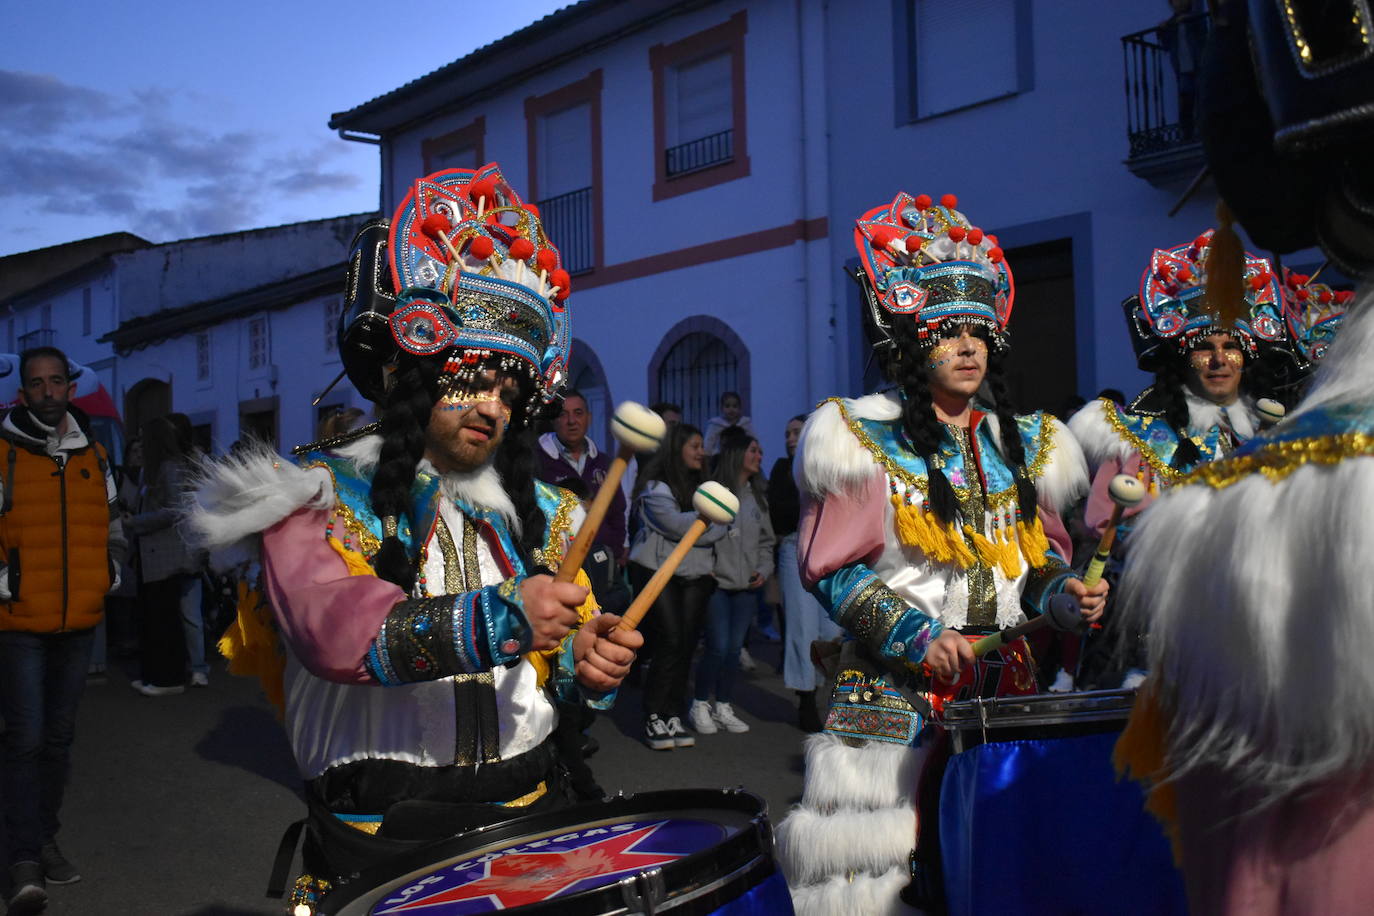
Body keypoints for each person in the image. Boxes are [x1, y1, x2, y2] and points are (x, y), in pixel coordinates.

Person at [186, 165, 641, 899]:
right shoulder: (313, 497)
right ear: (406, 371)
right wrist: (504, 617)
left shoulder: (544, 517)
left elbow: (549, 682)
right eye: (469, 375)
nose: (490, 405)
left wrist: (590, 663)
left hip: (531, 817)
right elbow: (333, 634)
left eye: (507, 389)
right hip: (383, 838)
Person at [773, 192, 1105, 915]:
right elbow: (830, 571)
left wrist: (1063, 598)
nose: (967, 347)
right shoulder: (862, 435)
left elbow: (1040, 563)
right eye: (948, 332)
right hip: (895, 697)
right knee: (889, 881)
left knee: (1001, 871)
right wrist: (918, 638)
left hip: (1005, 691)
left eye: (979, 333)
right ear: (911, 339)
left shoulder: (1024, 443)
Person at [1066, 223, 1290, 690]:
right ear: (1181, 357)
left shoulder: (1275, 436)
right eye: (1204, 348)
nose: (1219, 360)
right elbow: (1104, 531)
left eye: (1231, 346)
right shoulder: (1135, 438)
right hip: (1157, 633)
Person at [0, 346, 126, 913]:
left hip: (80, 622)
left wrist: (109, 572)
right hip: (19, 621)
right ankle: (25, 857)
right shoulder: (1, 455)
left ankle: (42, 835)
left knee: (57, 740)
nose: (49, 392)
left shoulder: (94, 456)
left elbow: (113, 523)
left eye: (57, 382)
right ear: (22, 391)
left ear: (69, 388)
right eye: (37, 383)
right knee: (24, 741)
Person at [628, 422, 726, 750]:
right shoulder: (655, 487)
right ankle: (653, 713)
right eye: (694, 445)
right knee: (668, 639)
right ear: (676, 449)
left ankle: (672, 712)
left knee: (686, 643)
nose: (702, 452)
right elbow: (677, 525)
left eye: (702, 446)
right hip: (660, 572)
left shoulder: (705, 485)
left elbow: (719, 527)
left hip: (697, 574)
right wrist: (710, 520)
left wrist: (706, 523)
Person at [689, 428, 774, 736]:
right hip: (717, 586)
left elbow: (767, 541)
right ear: (738, 454)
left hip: (746, 588)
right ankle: (700, 703)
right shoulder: (713, 493)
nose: (759, 456)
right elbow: (697, 534)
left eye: (760, 452)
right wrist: (707, 566)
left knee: (733, 649)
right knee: (717, 647)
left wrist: (764, 568)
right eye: (753, 450)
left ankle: (723, 704)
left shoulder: (757, 497)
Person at [769, 414, 841, 732]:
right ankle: (806, 697)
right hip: (795, 546)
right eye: (786, 433)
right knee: (801, 626)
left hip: (830, 549)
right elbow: (780, 514)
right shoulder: (782, 470)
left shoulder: (829, 468)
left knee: (832, 628)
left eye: (796, 431)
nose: (789, 438)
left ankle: (833, 694)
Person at [127, 414, 203, 695]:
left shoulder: (169, 468)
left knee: (165, 621)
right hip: (156, 553)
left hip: (165, 554)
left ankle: (167, 679)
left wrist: (135, 522)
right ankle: (157, 676)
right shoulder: (157, 467)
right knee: (155, 619)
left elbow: (173, 510)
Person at [535, 389, 627, 565]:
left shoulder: (603, 463)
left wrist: (615, 548)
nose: (572, 421)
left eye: (578, 413)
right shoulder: (537, 461)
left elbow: (617, 511)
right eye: (563, 414)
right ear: (554, 420)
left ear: (589, 418)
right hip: (557, 562)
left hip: (602, 558)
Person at [703, 391, 755, 456]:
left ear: (740, 408)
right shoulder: (715, 424)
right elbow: (708, 444)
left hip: (741, 458)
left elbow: (753, 441)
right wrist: (717, 454)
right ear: (721, 408)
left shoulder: (745, 423)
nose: (731, 409)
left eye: (735, 406)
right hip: (722, 458)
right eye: (727, 406)